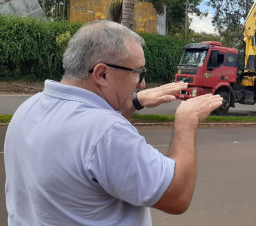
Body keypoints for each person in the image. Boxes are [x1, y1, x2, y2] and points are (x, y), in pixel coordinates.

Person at [4, 20, 222, 225]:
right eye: (138, 72)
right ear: (102, 74)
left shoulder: (29, 108)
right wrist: (186, 121)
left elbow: (84, 147)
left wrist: (133, 102)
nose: (143, 84)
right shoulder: (107, 131)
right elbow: (177, 196)